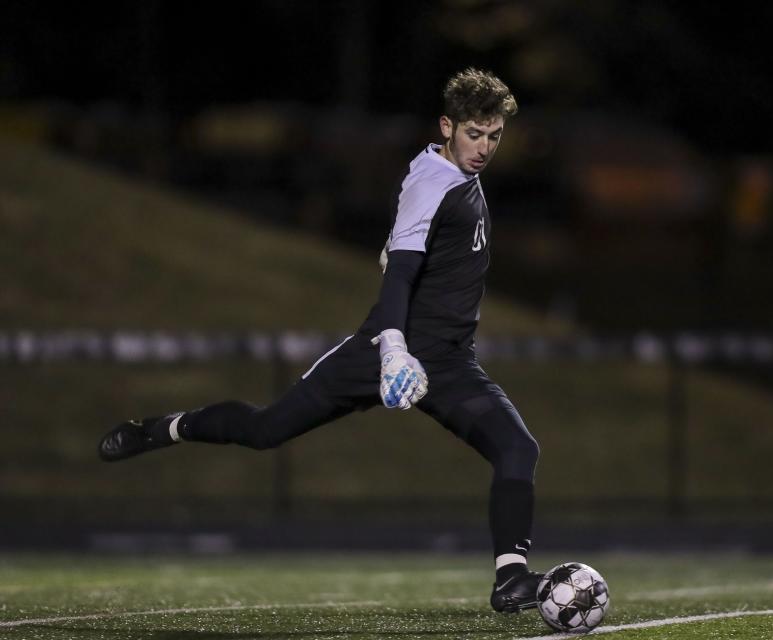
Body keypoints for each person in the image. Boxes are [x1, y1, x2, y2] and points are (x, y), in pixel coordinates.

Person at [98, 68, 543, 614]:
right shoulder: (433, 181)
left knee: (518, 448)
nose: (484, 147)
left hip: (449, 363)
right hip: (385, 349)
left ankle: (510, 580)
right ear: (447, 126)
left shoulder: (455, 176)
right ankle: (164, 428)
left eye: (494, 136)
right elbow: (399, 276)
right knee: (266, 430)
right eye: (474, 133)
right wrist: (393, 348)